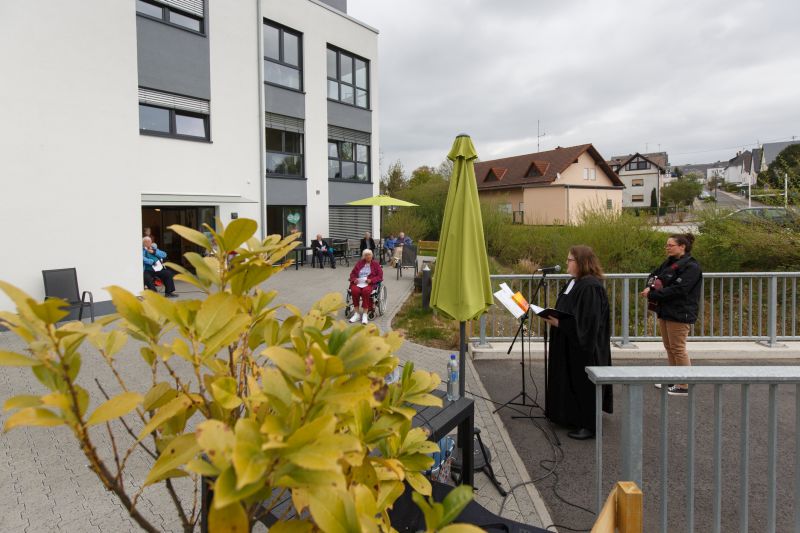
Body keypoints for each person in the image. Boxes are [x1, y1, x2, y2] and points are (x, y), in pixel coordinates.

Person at [543, 245, 612, 440]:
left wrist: (559, 322)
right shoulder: (575, 282)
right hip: (568, 341)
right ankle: (568, 415)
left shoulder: (590, 286)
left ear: (581, 262)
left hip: (584, 346)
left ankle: (589, 426)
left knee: (583, 383)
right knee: (570, 379)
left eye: (570, 260)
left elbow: (589, 322)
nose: (567, 263)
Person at [641, 233, 702, 396]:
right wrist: (650, 287)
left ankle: (683, 384)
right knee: (669, 347)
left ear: (682, 246)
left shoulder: (691, 266)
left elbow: (680, 289)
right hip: (666, 310)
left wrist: (653, 295)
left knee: (678, 348)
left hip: (680, 312)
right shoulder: (669, 263)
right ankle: (674, 377)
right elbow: (653, 276)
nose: (667, 248)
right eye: (666, 245)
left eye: (670, 245)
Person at [348, 249, 383, 325]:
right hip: (359, 282)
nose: (368, 256)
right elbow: (352, 274)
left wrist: (371, 280)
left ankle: (365, 314)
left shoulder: (376, 264)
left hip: (369, 283)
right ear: (364, 256)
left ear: (372, 255)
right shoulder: (359, 263)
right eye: (366, 255)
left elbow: (380, 276)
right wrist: (354, 280)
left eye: (369, 254)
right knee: (354, 290)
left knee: (365, 291)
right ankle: (356, 314)